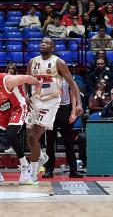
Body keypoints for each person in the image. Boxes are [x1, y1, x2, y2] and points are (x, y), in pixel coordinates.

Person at [26, 38, 83, 184]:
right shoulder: (33, 62)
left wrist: (77, 106)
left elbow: (73, 87)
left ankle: (73, 168)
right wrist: (26, 97)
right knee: (44, 139)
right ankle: (48, 167)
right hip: (39, 103)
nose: (42, 44)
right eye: (41, 42)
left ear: (53, 47)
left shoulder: (59, 64)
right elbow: (27, 81)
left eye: (46, 43)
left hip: (60, 106)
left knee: (67, 140)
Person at [0, 60, 41, 186]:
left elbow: (27, 78)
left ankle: (25, 168)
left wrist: (38, 84)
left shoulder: (7, 80)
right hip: (3, 110)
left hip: (18, 108)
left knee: (11, 134)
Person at [43, 79, 85, 178]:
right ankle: (49, 170)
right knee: (50, 141)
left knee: (68, 141)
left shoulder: (67, 78)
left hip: (64, 108)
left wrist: (73, 112)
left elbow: (73, 93)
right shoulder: (47, 77)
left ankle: (73, 170)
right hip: (50, 109)